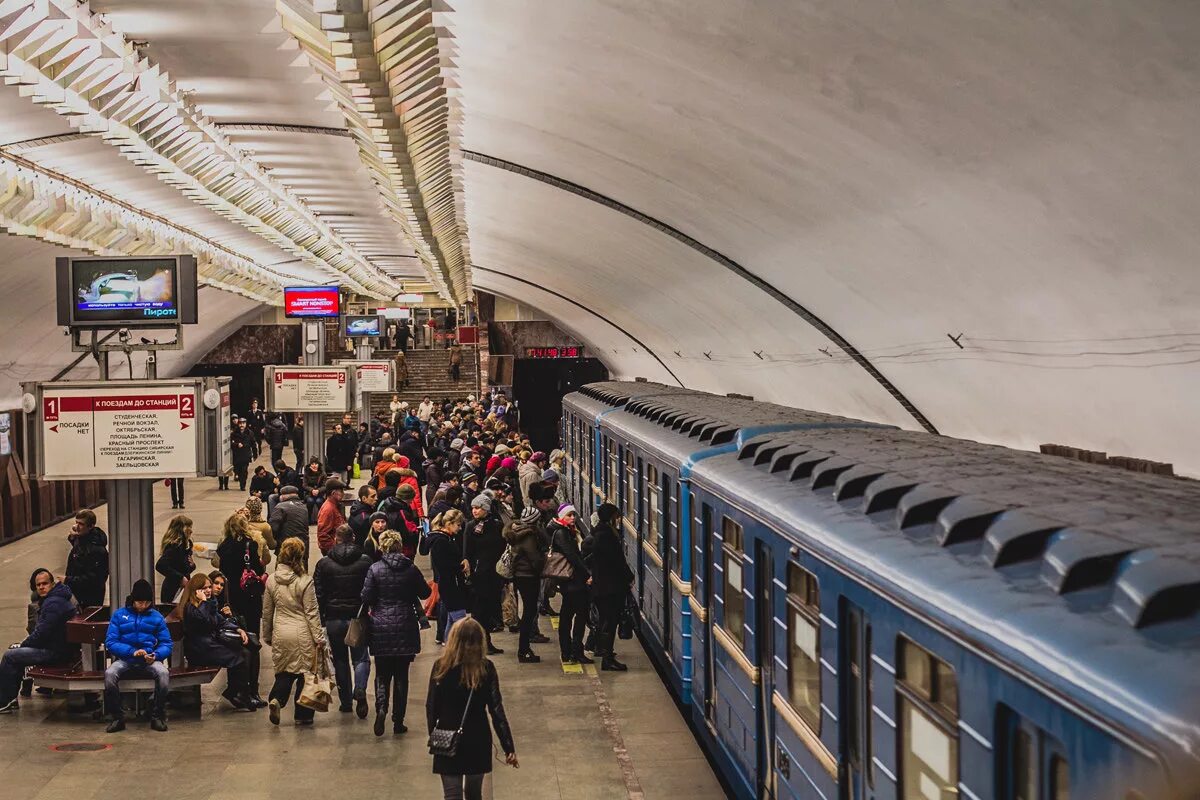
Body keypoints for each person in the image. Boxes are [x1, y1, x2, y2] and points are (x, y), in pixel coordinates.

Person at [426, 619, 517, 800]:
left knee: (452, 795)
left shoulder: (441, 667)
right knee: (474, 794)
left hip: (447, 735)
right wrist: (508, 747)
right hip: (478, 738)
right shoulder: (486, 668)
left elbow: (431, 706)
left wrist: (434, 736)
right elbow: (496, 710)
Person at [362, 529, 431, 736]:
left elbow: (366, 597)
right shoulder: (410, 568)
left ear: (382, 546)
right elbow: (425, 592)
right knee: (402, 676)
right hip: (405, 625)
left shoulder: (375, 569)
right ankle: (398, 721)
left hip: (381, 626)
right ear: (400, 546)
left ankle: (381, 707)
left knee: (382, 673)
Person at [263, 538, 325, 727]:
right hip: (303, 633)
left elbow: (267, 612)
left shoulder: (272, 580)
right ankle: (303, 715)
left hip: (281, 632)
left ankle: (276, 700)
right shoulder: (305, 581)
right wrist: (319, 638)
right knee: (305, 674)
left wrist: (267, 634)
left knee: (284, 672)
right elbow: (311, 612)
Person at [313, 524, 372, 717]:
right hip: (357, 616)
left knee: (339, 660)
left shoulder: (324, 564)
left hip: (334, 618)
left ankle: (346, 702)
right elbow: (371, 588)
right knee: (361, 657)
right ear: (353, 538)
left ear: (336, 539)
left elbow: (318, 593)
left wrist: (321, 617)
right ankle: (361, 687)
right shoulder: (365, 561)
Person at [0, 569, 78, 713]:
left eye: (45, 583)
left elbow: (41, 634)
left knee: (10, 656)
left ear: (52, 584)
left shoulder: (53, 604)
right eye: (38, 585)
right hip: (61, 648)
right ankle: (10, 699)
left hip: (55, 652)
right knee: (14, 653)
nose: (41, 587)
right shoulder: (59, 597)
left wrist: (23, 645)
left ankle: (4, 701)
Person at [175, 573, 256, 711]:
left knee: (245, 652)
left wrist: (237, 629)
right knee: (239, 657)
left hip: (208, 645)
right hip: (199, 649)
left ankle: (238, 693)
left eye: (208, 587)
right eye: (204, 588)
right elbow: (202, 619)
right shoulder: (190, 608)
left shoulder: (208, 603)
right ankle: (240, 695)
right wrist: (205, 602)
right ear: (196, 590)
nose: (208, 590)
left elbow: (219, 620)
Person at [103, 579, 173, 732]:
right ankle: (117, 717)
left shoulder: (156, 617)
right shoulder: (119, 615)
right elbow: (111, 641)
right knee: (109, 674)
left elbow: (166, 643)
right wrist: (131, 652)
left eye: (147, 602)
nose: (143, 606)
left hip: (149, 659)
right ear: (133, 600)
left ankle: (157, 715)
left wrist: (155, 655)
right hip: (126, 658)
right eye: (140, 602)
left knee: (163, 673)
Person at [215, 513, 267, 706]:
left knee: (235, 641)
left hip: (231, 599)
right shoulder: (250, 545)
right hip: (249, 598)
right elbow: (259, 570)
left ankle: (236, 687)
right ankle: (252, 689)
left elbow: (222, 569)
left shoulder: (224, 547)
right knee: (253, 642)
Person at [589, 503, 635, 671]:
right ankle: (607, 659)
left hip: (604, 586)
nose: (618, 519)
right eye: (616, 516)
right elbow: (617, 561)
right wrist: (629, 576)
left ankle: (603, 652)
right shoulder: (607, 536)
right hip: (609, 588)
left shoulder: (600, 533)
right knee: (610, 622)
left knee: (605, 621)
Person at [549, 504, 591, 665]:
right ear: (561, 517)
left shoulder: (565, 531)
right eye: (569, 515)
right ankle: (575, 652)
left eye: (573, 515)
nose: (572, 518)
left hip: (569, 582)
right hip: (573, 582)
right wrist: (587, 574)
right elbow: (573, 556)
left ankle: (568, 651)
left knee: (567, 616)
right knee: (578, 616)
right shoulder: (562, 533)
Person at [504, 508, 547, 663]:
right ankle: (523, 650)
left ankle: (524, 648)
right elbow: (535, 559)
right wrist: (543, 564)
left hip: (521, 576)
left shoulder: (517, 533)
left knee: (528, 612)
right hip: (528, 577)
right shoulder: (528, 537)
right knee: (529, 612)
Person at [464, 495, 505, 655]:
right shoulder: (470, 527)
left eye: (478, 508)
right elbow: (467, 552)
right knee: (480, 610)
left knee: (490, 609)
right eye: (473, 508)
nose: (474, 511)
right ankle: (480, 642)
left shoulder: (496, 525)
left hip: (494, 574)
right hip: (479, 574)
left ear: (486, 509)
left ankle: (487, 641)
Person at [428, 510, 470, 640]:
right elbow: (444, 566)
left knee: (452, 622)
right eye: (458, 525)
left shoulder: (446, 538)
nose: (460, 528)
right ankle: (455, 650)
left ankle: (449, 648)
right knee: (459, 622)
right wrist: (461, 567)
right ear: (449, 524)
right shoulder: (441, 541)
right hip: (450, 585)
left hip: (451, 584)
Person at [65, 509, 108, 608]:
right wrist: (73, 538)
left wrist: (68, 580)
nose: (76, 527)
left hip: (89, 597)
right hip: (76, 591)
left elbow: (94, 578)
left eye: (81, 524)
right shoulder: (82, 539)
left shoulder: (98, 550)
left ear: (91, 526)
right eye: (76, 523)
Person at [155, 515, 195, 604]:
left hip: (183, 587)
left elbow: (183, 567)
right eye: (189, 527)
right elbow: (160, 565)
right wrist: (180, 577)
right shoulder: (174, 546)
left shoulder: (186, 545)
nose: (191, 531)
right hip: (173, 589)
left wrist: (192, 565)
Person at [269, 485, 310, 556]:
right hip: (303, 546)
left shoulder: (280, 507)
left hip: (286, 546)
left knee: (284, 566)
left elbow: (273, 528)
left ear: (283, 496)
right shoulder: (304, 507)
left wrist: (273, 543)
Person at [317, 478, 347, 556]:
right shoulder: (328, 509)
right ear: (333, 493)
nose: (343, 493)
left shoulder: (334, 506)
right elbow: (322, 535)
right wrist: (334, 551)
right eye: (341, 491)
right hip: (334, 552)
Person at [242, 497, 276, 564]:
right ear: (260, 508)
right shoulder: (265, 526)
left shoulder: (241, 523)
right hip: (257, 561)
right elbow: (272, 546)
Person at [301, 457, 327, 521]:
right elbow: (304, 485)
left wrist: (318, 490)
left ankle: (321, 519)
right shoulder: (307, 473)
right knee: (310, 501)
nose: (314, 465)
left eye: (316, 464)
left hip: (320, 494)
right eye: (312, 464)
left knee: (319, 501)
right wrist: (312, 490)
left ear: (318, 464)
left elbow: (325, 486)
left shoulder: (322, 474)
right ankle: (308, 519)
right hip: (309, 494)